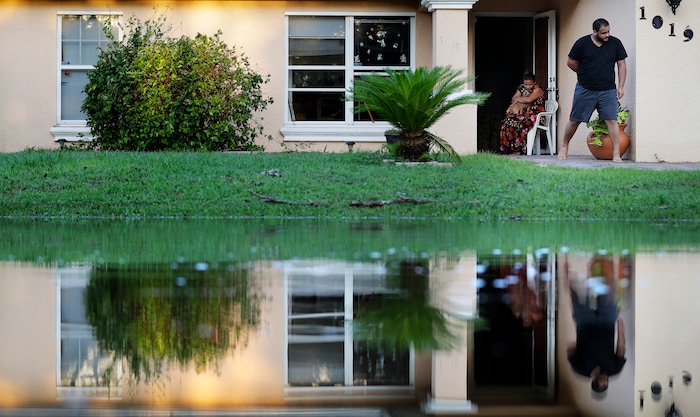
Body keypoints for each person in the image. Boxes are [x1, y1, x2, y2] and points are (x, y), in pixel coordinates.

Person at [559, 18, 628, 162]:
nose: (607, 35)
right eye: (603, 33)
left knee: (611, 120)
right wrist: (584, 73)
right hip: (585, 88)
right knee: (574, 120)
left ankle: (616, 154)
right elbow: (571, 62)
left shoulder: (615, 43)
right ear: (595, 31)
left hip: (607, 90)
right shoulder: (582, 43)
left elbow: (621, 64)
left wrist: (621, 86)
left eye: (608, 31)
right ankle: (564, 146)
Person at [564, 254, 626, 393]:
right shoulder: (614, 370)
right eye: (607, 379)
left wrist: (580, 336)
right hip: (607, 323)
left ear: (594, 381)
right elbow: (621, 349)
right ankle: (607, 259)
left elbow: (570, 351)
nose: (606, 375)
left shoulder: (581, 369)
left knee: (574, 296)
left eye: (602, 378)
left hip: (585, 323)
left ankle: (568, 270)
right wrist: (619, 325)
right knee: (611, 292)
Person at [499, 71, 546, 155]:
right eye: (525, 84)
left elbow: (529, 100)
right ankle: (508, 149)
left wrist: (519, 98)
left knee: (516, 122)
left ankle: (519, 150)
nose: (527, 87)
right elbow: (513, 98)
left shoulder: (538, 89)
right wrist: (519, 99)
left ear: (534, 82)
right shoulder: (521, 87)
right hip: (524, 114)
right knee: (507, 121)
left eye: (530, 84)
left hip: (536, 115)